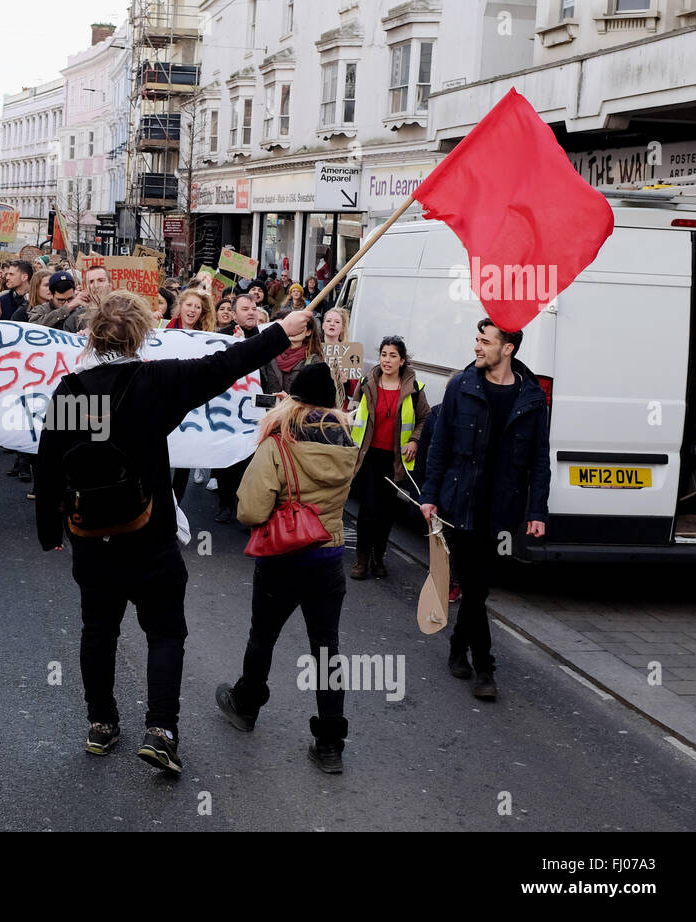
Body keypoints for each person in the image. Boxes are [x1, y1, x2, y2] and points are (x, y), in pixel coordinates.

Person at [35, 289, 313, 775]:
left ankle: (101, 725)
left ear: (95, 332)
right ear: (143, 333)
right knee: (165, 632)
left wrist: (49, 531)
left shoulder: (73, 390)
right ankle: (161, 731)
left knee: (98, 630)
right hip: (149, 535)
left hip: (92, 536)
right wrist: (280, 332)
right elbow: (228, 364)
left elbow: (50, 464)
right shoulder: (157, 382)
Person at [214, 361, 358, 773]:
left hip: (283, 560)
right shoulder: (346, 444)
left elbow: (251, 509)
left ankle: (246, 705)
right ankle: (330, 741)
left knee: (263, 638)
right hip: (328, 557)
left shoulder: (279, 444)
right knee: (327, 650)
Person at [420, 318, 550, 702]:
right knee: (475, 586)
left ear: (507, 348)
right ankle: (485, 668)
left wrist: (537, 511)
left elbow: (539, 458)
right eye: (477, 339)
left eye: (484, 341)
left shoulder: (531, 397)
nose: (477, 346)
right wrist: (429, 494)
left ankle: (458, 645)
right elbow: (439, 445)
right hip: (460, 501)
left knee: (479, 588)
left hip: (502, 508)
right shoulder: (462, 385)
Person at [349, 335, 431, 579]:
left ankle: (378, 557)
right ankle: (361, 559)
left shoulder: (415, 389)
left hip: (394, 459)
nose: (387, 360)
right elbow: (353, 413)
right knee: (368, 508)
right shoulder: (366, 383)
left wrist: (415, 440)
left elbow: (425, 419)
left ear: (402, 360)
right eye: (384, 354)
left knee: (386, 512)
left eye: (393, 355)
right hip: (368, 456)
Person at [213, 293, 276, 523]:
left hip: (259, 408)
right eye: (245, 308)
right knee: (229, 458)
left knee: (253, 461)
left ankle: (248, 506)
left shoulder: (266, 337)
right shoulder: (223, 336)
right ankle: (225, 503)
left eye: (254, 308)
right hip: (230, 409)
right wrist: (237, 346)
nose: (251, 312)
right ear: (235, 314)